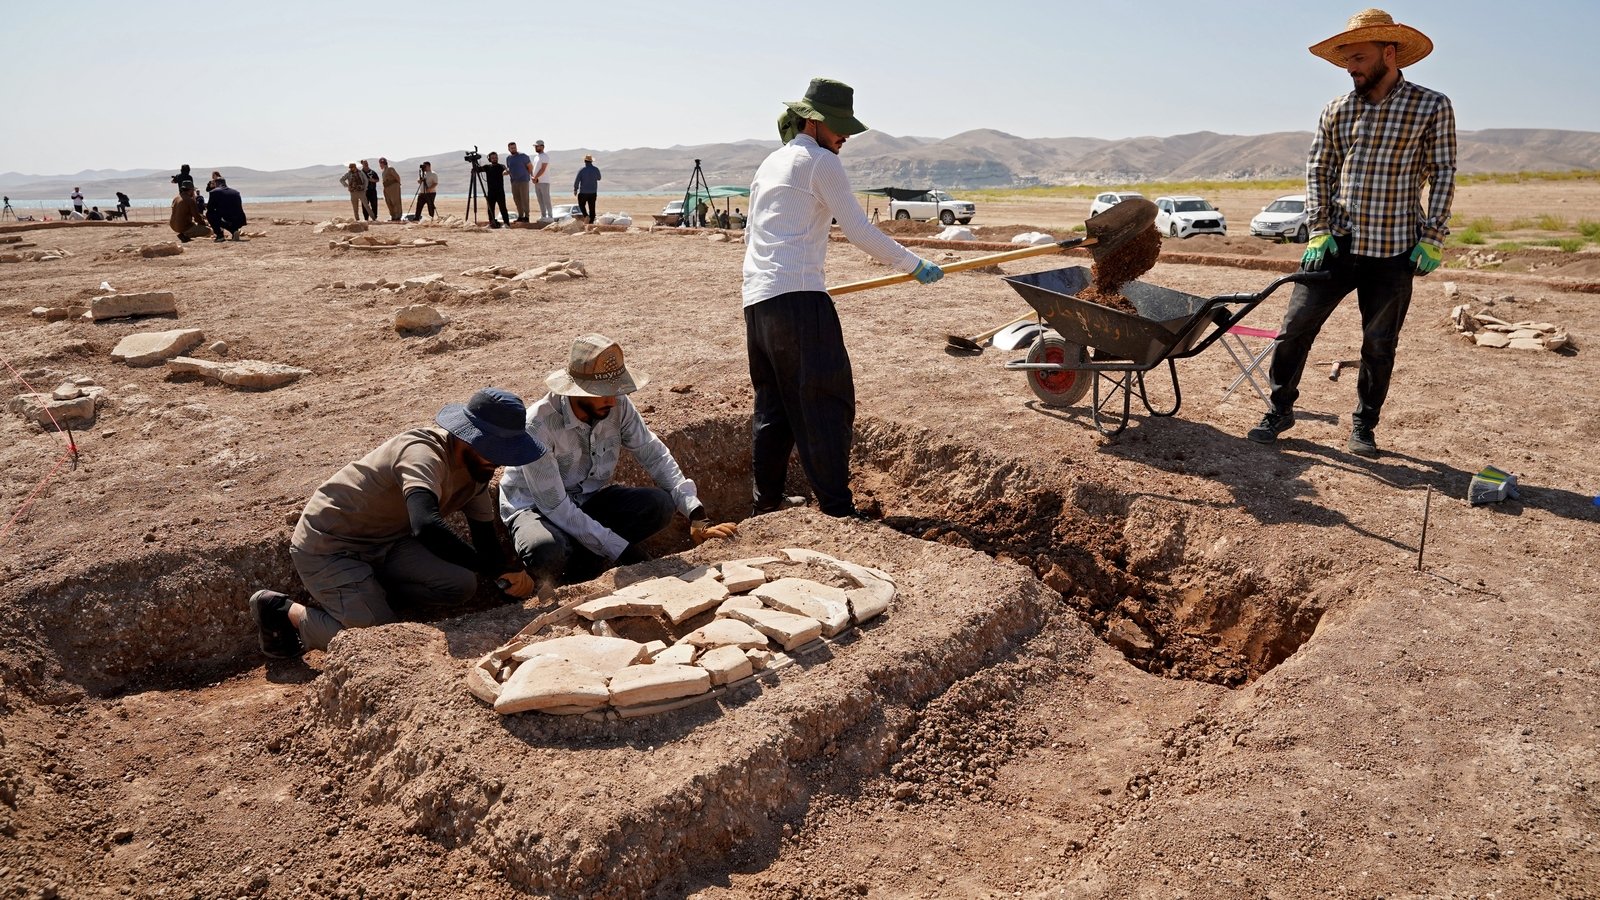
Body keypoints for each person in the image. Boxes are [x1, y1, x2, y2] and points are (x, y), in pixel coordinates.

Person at [1247, 9, 1455, 459]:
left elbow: (1443, 173)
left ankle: (1364, 426)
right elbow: (1319, 169)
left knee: (1379, 345)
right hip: (1335, 244)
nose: (1352, 68)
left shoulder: (1431, 106)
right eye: (1346, 62)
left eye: (1358, 58)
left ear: (1389, 52)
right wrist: (1318, 229)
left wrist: (1433, 236)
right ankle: (1280, 409)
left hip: (1396, 250)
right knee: (1293, 329)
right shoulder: (1336, 110)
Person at [742, 77, 945, 518]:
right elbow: (858, 229)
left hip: (757, 303)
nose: (845, 137)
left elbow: (754, 235)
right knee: (825, 401)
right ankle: (836, 508)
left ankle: (767, 506)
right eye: (839, 127)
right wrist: (913, 264)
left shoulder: (769, 164)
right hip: (798, 301)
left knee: (774, 408)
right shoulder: (820, 163)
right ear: (813, 123)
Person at [248, 388, 546, 659]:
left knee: (461, 585)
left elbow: (484, 538)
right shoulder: (422, 453)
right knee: (381, 643)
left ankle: (369, 597)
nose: (498, 462)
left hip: (387, 541)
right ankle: (285, 612)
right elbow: (426, 526)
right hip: (330, 546)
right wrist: (494, 568)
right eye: (493, 451)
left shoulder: (476, 470)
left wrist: (509, 575)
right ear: (467, 437)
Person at [499, 334, 738, 592]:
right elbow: (555, 506)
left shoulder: (618, 405)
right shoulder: (538, 425)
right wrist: (624, 551)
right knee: (545, 550)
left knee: (659, 505)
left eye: (615, 391)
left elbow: (653, 453)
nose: (612, 400)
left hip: (584, 500)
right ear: (576, 390)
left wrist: (696, 513)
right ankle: (544, 583)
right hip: (538, 509)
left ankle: (585, 567)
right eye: (602, 393)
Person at [474, 150, 510, 228]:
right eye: (492, 157)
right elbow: (477, 170)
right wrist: (475, 162)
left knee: (503, 208)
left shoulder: (501, 166)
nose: (494, 159)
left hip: (500, 191)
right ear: (489, 159)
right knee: (490, 209)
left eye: (495, 157)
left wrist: (506, 171)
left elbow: (506, 170)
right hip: (491, 192)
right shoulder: (487, 167)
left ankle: (506, 224)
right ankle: (492, 223)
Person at [206, 176, 247, 242]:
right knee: (227, 214)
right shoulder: (236, 192)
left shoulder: (214, 192)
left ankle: (220, 235)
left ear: (216, 184)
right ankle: (234, 231)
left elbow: (210, 208)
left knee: (209, 214)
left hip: (227, 218)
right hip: (239, 219)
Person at [506, 141, 533, 223]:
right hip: (514, 181)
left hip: (523, 181)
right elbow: (509, 168)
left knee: (524, 199)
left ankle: (527, 216)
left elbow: (530, 167)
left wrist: (527, 176)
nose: (513, 149)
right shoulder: (508, 158)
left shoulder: (523, 156)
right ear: (509, 149)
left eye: (514, 147)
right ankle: (520, 216)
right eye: (512, 148)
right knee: (517, 199)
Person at [573, 154, 601, 224]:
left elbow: (577, 180)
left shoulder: (582, 170)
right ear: (591, 162)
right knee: (592, 207)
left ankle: (586, 215)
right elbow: (599, 178)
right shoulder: (596, 169)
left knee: (581, 205)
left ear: (584, 161)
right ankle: (591, 222)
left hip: (583, 192)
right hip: (593, 192)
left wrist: (575, 189)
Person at [531, 139, 553, 221]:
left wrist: (535, 177)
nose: (536, 148)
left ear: (542, 147)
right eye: (535, 146)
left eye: (537, 146)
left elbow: (543, 169)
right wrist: (534, 178)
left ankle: (550, 216)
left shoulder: (545, 156)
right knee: (540, 200)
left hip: (544, 181)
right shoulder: (536, 157)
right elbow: (535, 169)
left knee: (546, 199)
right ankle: (543, 215)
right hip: (537, 182)